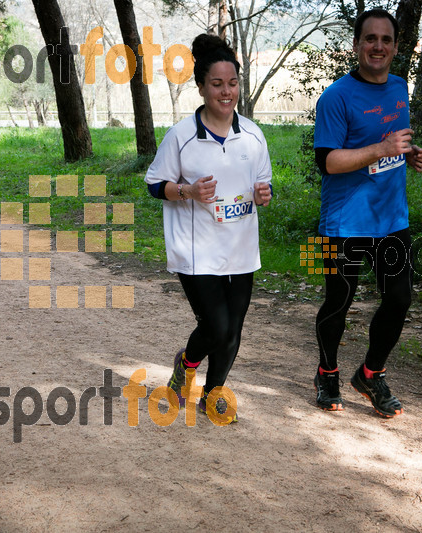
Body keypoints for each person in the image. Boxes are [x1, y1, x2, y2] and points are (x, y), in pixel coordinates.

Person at [144, 34, 273, 424]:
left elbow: (263, 184)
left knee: (233, 330)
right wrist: (187, 190)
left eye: (232, 83)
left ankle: (213, 393)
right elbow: (154, 184)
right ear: (201, 87)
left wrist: (263, 194)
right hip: (196, 249)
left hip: (241, 249)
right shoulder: (182, 136)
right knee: (216, 327)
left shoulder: (252, 135)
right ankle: (186, 366)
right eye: (216, 84)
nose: (226, 91)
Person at [312, 9, 422, 417]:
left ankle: (370, 373)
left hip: (392, 218)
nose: (377, 46)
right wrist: (381, 150)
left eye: (385, 39)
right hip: (343, 222)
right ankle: (327, 372)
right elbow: (327, 161)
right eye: (369, 39)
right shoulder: (335, 98)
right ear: (357, 44)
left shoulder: (399, 87)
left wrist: (409, 154)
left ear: (396, 47)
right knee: (338, 302)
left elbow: (390, 142)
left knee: (399, 298)